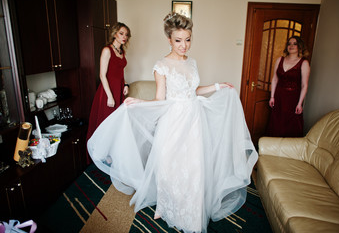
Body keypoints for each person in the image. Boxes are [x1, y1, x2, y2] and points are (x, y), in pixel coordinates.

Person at [87, 13, 258, 233]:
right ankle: (165, 204)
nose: (184, 45)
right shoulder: (161, 65)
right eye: (178, 40)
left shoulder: (193, 62)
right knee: (169, 164)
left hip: (194, 118)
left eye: (188, 39)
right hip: (174, 120)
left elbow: (193, 90)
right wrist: (138, 101)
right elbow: (160, 99)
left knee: (193, 165)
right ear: (169, 39)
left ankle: (193, 212)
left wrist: (217, 86)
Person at [86, 22, 131, 163]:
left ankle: (111, 153)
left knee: (115, 124)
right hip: (107, 92)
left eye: (126, 35)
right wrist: (110, 96)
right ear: (114, 34)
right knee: (105, 124)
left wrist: (126, 85)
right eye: (121, 33)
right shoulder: (107, 50)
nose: (124, 37)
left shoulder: (122, 51)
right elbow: (102, 75)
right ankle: (102, 154)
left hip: (119, 91)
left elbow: (119, 73)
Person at [266, 36, 311, 137]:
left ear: (300, 47)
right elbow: (274, 79)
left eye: (295, 44)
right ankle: (272, 147)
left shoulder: (304, 63)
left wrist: (300, 104)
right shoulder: (280, 60)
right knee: (276, 122)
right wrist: (272, 96)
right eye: (289, 43)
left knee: (290, 123)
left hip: (293, 99)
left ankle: (288, 149)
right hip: (279, 97)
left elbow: (304, 85)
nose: (291, 46)